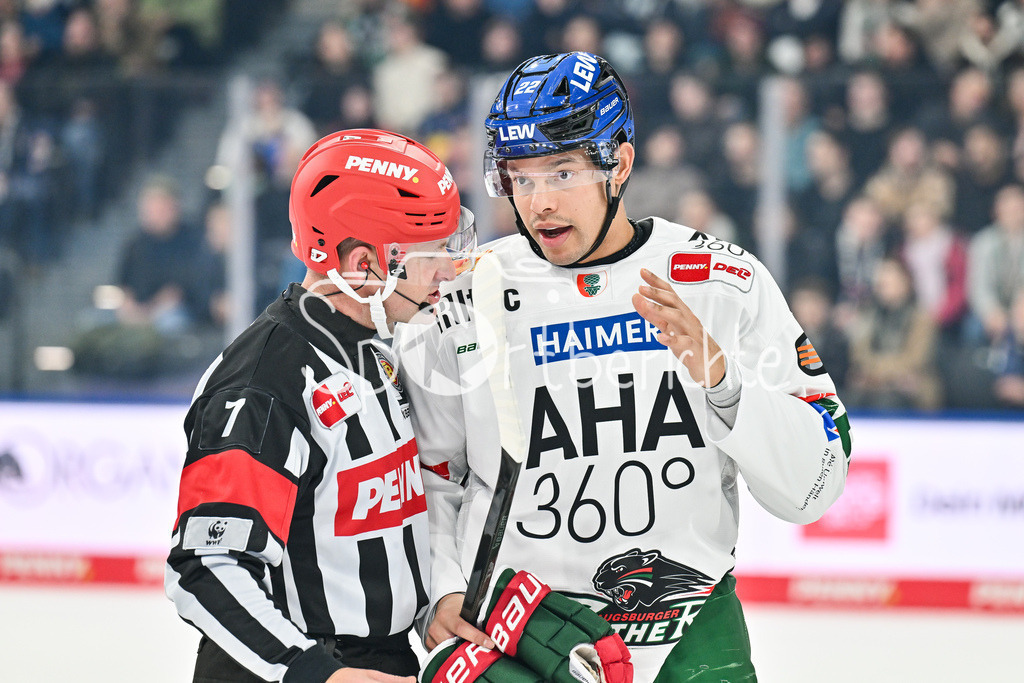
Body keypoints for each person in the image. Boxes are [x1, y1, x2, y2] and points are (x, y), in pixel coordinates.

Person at [398, 52, 852, 682]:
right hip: (522, 631)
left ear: (621, 164)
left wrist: (721, 379)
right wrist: (445, 590)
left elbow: (814, 487)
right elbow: (434, 473)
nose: (539, 203)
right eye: (520, 178)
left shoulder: (723, 282)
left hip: (688, 632)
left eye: (561, 172)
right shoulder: (466, 294)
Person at [165, 128, 476, 683]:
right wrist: (316, 674)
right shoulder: (264, 382)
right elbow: (206, 568)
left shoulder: (378, 344)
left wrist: (435, 602)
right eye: (430, 254)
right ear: (361, 263)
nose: (448, 270)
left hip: (379, 659)